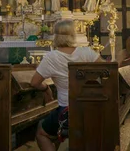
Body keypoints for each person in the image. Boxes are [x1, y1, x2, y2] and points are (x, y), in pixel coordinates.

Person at [30, 20, 102, 150]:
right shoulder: (87, 53)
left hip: (68, 112)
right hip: (93, 108)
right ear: (73, 35)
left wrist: (45, 88)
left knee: (41, 133)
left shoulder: (51, 57)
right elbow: (107, 71)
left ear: (56, 36)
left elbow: (34, 82)